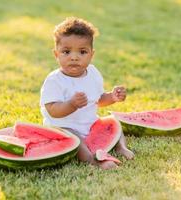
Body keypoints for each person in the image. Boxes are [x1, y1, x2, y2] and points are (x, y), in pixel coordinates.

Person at [40, 17, 134, 170]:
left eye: (82, 52)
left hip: (90, 126)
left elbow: (99, 100)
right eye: (66, 52)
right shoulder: (54, 80)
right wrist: (71, 104)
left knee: (113, 122)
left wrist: (112, 97)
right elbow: (53, 110)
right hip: (63, 128)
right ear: (56, 54)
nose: (74, 57)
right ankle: (92, 160)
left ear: (92, 54)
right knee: (73, 138)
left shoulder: (93, 73)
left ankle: (121, 147)